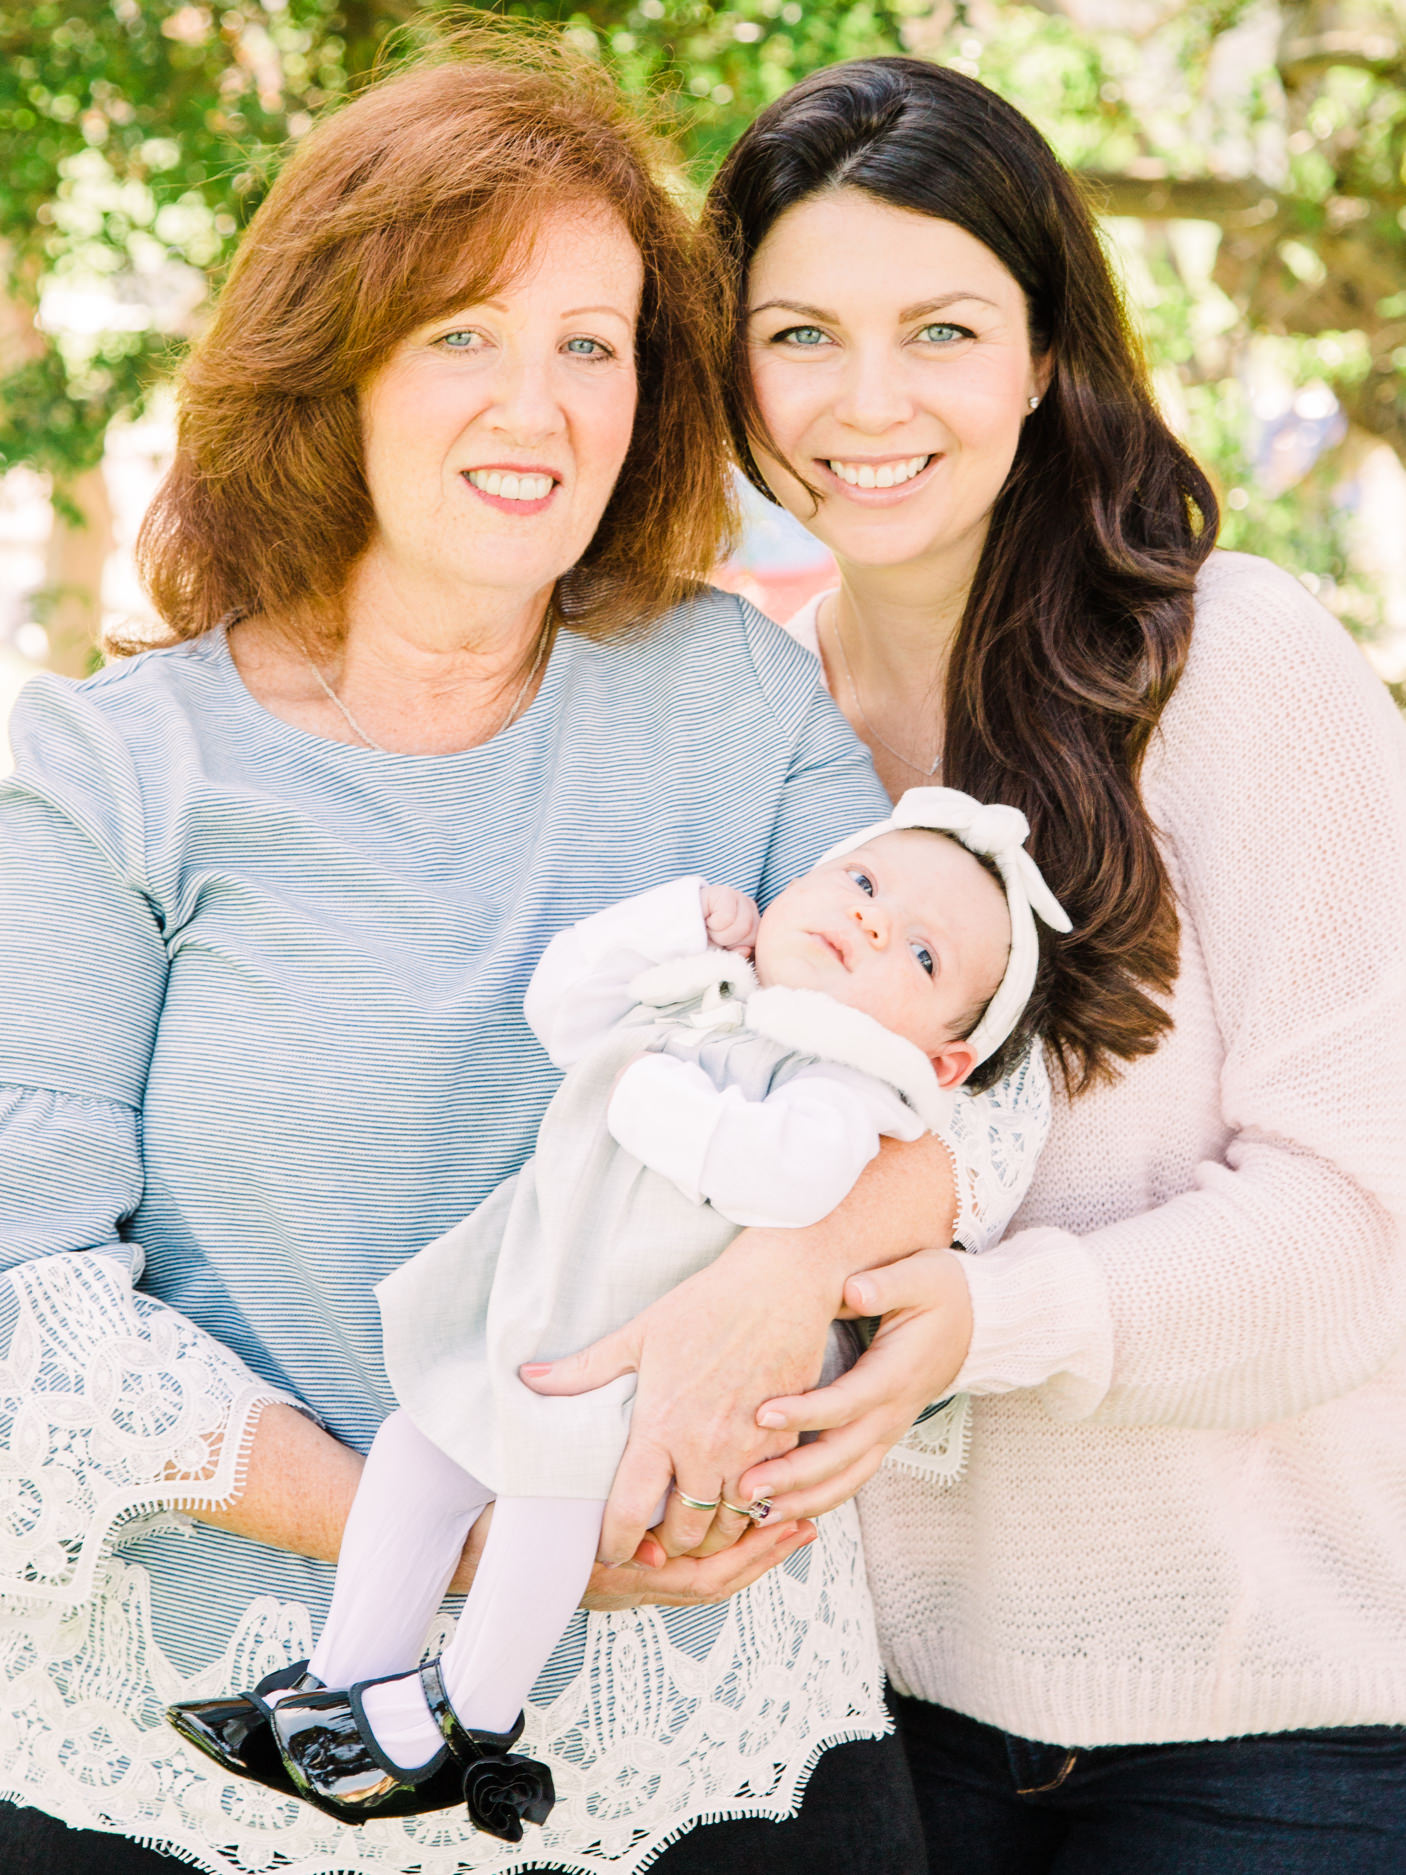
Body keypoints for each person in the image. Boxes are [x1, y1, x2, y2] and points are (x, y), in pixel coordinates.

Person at [0, 39, 1046, 1875]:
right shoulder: (104, 772)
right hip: (183, 1776)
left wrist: (792, 1263)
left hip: (714, 1763)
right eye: (461, 334)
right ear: (335, 367)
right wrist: (486, 1530)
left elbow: (974, 1085)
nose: (538, 405)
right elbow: (30, 1309)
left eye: (592, 344)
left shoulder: (733, 689)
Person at [645, 52, 1406, 1873]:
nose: (867, 400)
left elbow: (1362, 1228)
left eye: (942, 329)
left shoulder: (1235, 661)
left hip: (1263, 1732)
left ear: (1048, 351)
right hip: (869, 1726)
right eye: (802, 332)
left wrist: (991, 1323)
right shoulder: (746, 717)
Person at [165, 789, 1069, 1839]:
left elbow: (786, 1179)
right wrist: (675, 921)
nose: (871, 921)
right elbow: (561, 1003)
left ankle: (464, 1721)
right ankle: (336, 1682)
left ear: (941, 1061)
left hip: (643, 1368)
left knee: (551, 1510)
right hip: (538, 1311)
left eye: (920, 956)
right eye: (862, 883)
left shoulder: (844, 1087)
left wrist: (648, 1098)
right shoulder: (701, 996)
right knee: (418, 1450)